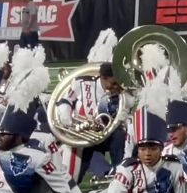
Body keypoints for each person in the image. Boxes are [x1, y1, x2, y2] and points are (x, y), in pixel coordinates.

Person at [81, 68, 186, 193]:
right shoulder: (128, 168)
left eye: (152, 148)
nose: (147, 153)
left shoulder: (174, 167)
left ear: (161, 148)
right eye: (143, 148)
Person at [55, 30, 132, 183]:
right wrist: (66, 118)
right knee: (74, 177)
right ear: (102, 78)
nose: (116, 87)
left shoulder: (123, 91)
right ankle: (82, 178)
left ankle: (120, 174)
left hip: (108, 134)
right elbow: (65, 101)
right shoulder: (83, 81)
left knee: (121, 136)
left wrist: (125, 113)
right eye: (113, 83)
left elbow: (127, 110)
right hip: (84, 133)